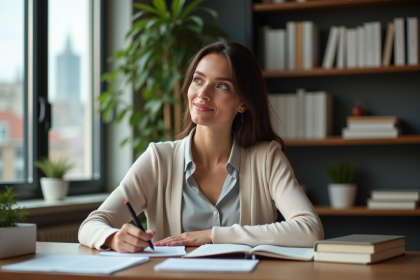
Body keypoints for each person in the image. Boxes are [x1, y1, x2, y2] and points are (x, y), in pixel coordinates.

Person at [78, 38, 324, 253]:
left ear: (243, 104)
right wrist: (113, 237)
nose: (202, 93)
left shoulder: (267, 158)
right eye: (198, 80)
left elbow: (310, 230)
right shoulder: (158, 159)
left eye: (221, 85)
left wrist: (213, 235)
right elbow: (91, 224)